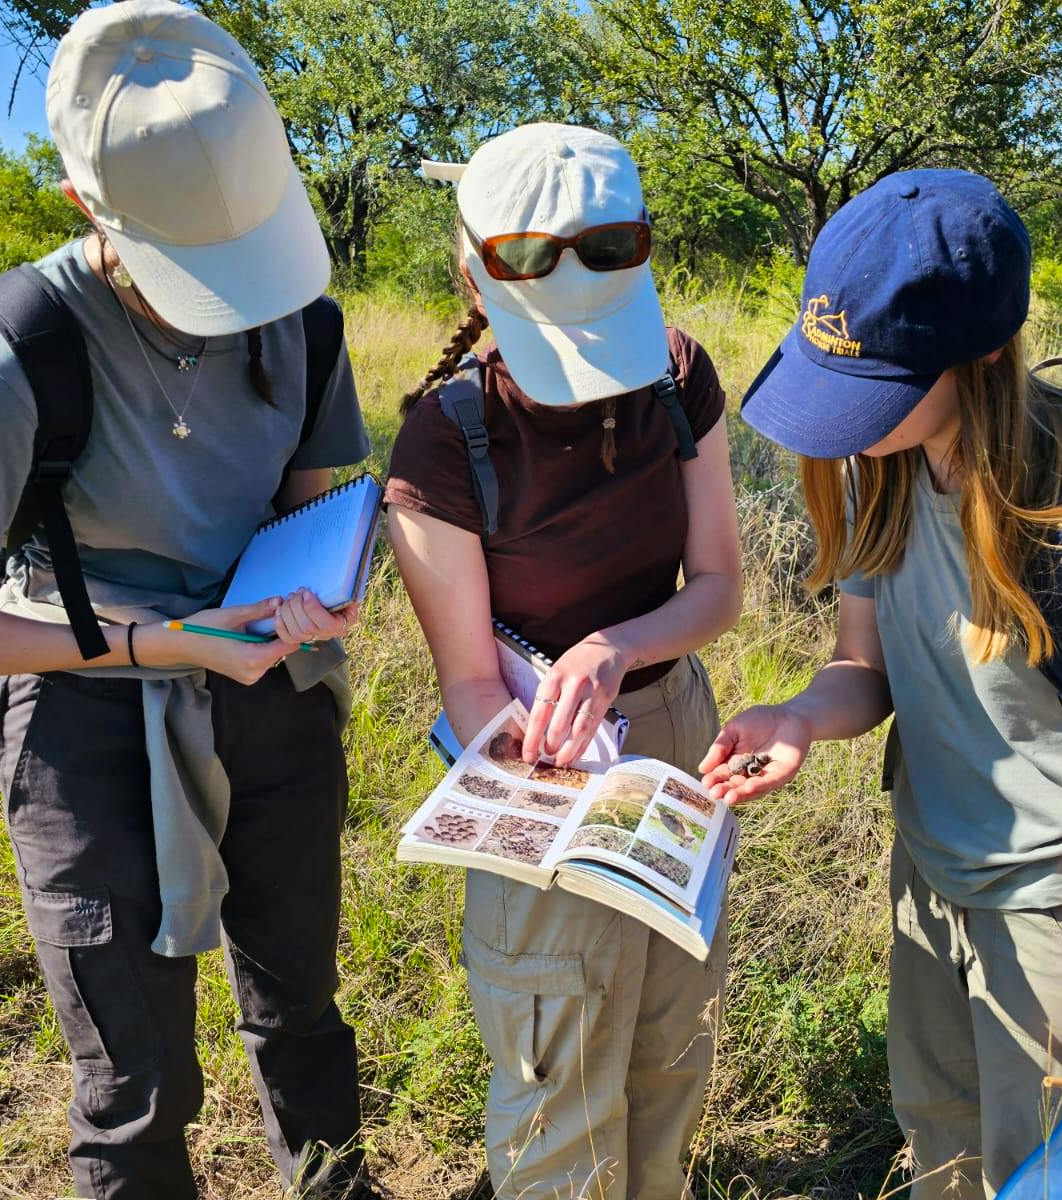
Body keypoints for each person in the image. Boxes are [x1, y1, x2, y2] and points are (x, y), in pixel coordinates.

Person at [0, 3, 376, 1196]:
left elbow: (301, 503)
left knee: (300, 1000)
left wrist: (318, 589)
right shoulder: (15, 352)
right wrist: (154, 641)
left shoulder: (306, 311)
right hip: (86, 720)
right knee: (134, 1073)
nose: (238, 294)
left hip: (270, 694)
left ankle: (335, 1182)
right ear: (88, 205)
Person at [701, 170, 1062, 1197]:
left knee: (1046, 1179)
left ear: (983, 351)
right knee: (942, 1155)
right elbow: (865, 663)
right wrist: (803, 716)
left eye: (875, 389)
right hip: (933, 883)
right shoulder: (882, 465)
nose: (844, 422)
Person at [385, 123, 743, 1199]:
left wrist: (616, 644)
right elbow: (468, 680)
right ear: (475, 272)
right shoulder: (444, 437)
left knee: (672, 1030)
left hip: (673, 727)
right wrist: (557, 765)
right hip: (530, 755)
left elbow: (718, 585)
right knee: (556, 1043)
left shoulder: (678, 375)